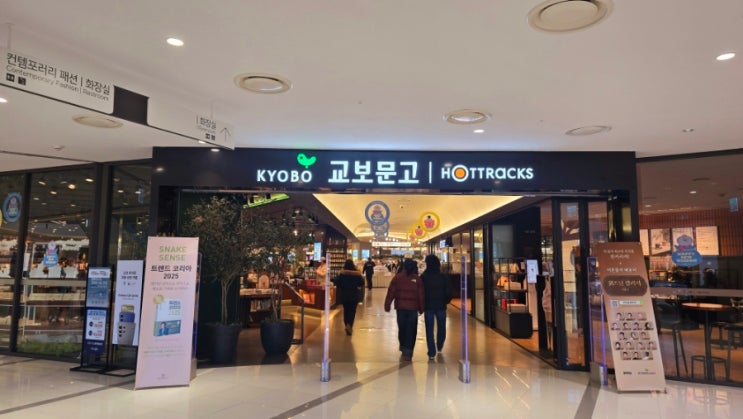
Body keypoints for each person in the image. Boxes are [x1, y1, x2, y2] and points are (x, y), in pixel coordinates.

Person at [384, 258, 424, 362]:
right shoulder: (417, 279)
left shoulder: (397, 278)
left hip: (400, 308)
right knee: (411, 330)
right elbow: (421, 295)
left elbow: (391, 292)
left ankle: (403, 347)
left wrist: (387, 305)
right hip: (413, 309)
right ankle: (408, 352)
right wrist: (421, 308)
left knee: (402, 328)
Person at [421, 254, 451, 359]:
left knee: (429, 329)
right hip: (441, 305)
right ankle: (440, 345)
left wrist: (422, 303)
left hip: (428, 306)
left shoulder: (424, 276)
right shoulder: (443, 276)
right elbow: (448, 291)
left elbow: (421, 292)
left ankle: (431, 352)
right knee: (442, 327)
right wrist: (446, 301)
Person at [332, 259, 364, 335]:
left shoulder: (342, 274)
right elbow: (361, 283)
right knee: (352, 311)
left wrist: (342, 285)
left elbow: (336, 282)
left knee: (346, 311)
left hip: (344, 295)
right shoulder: (357, 274)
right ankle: (349, 325)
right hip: (353, 295)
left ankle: (347, 325)